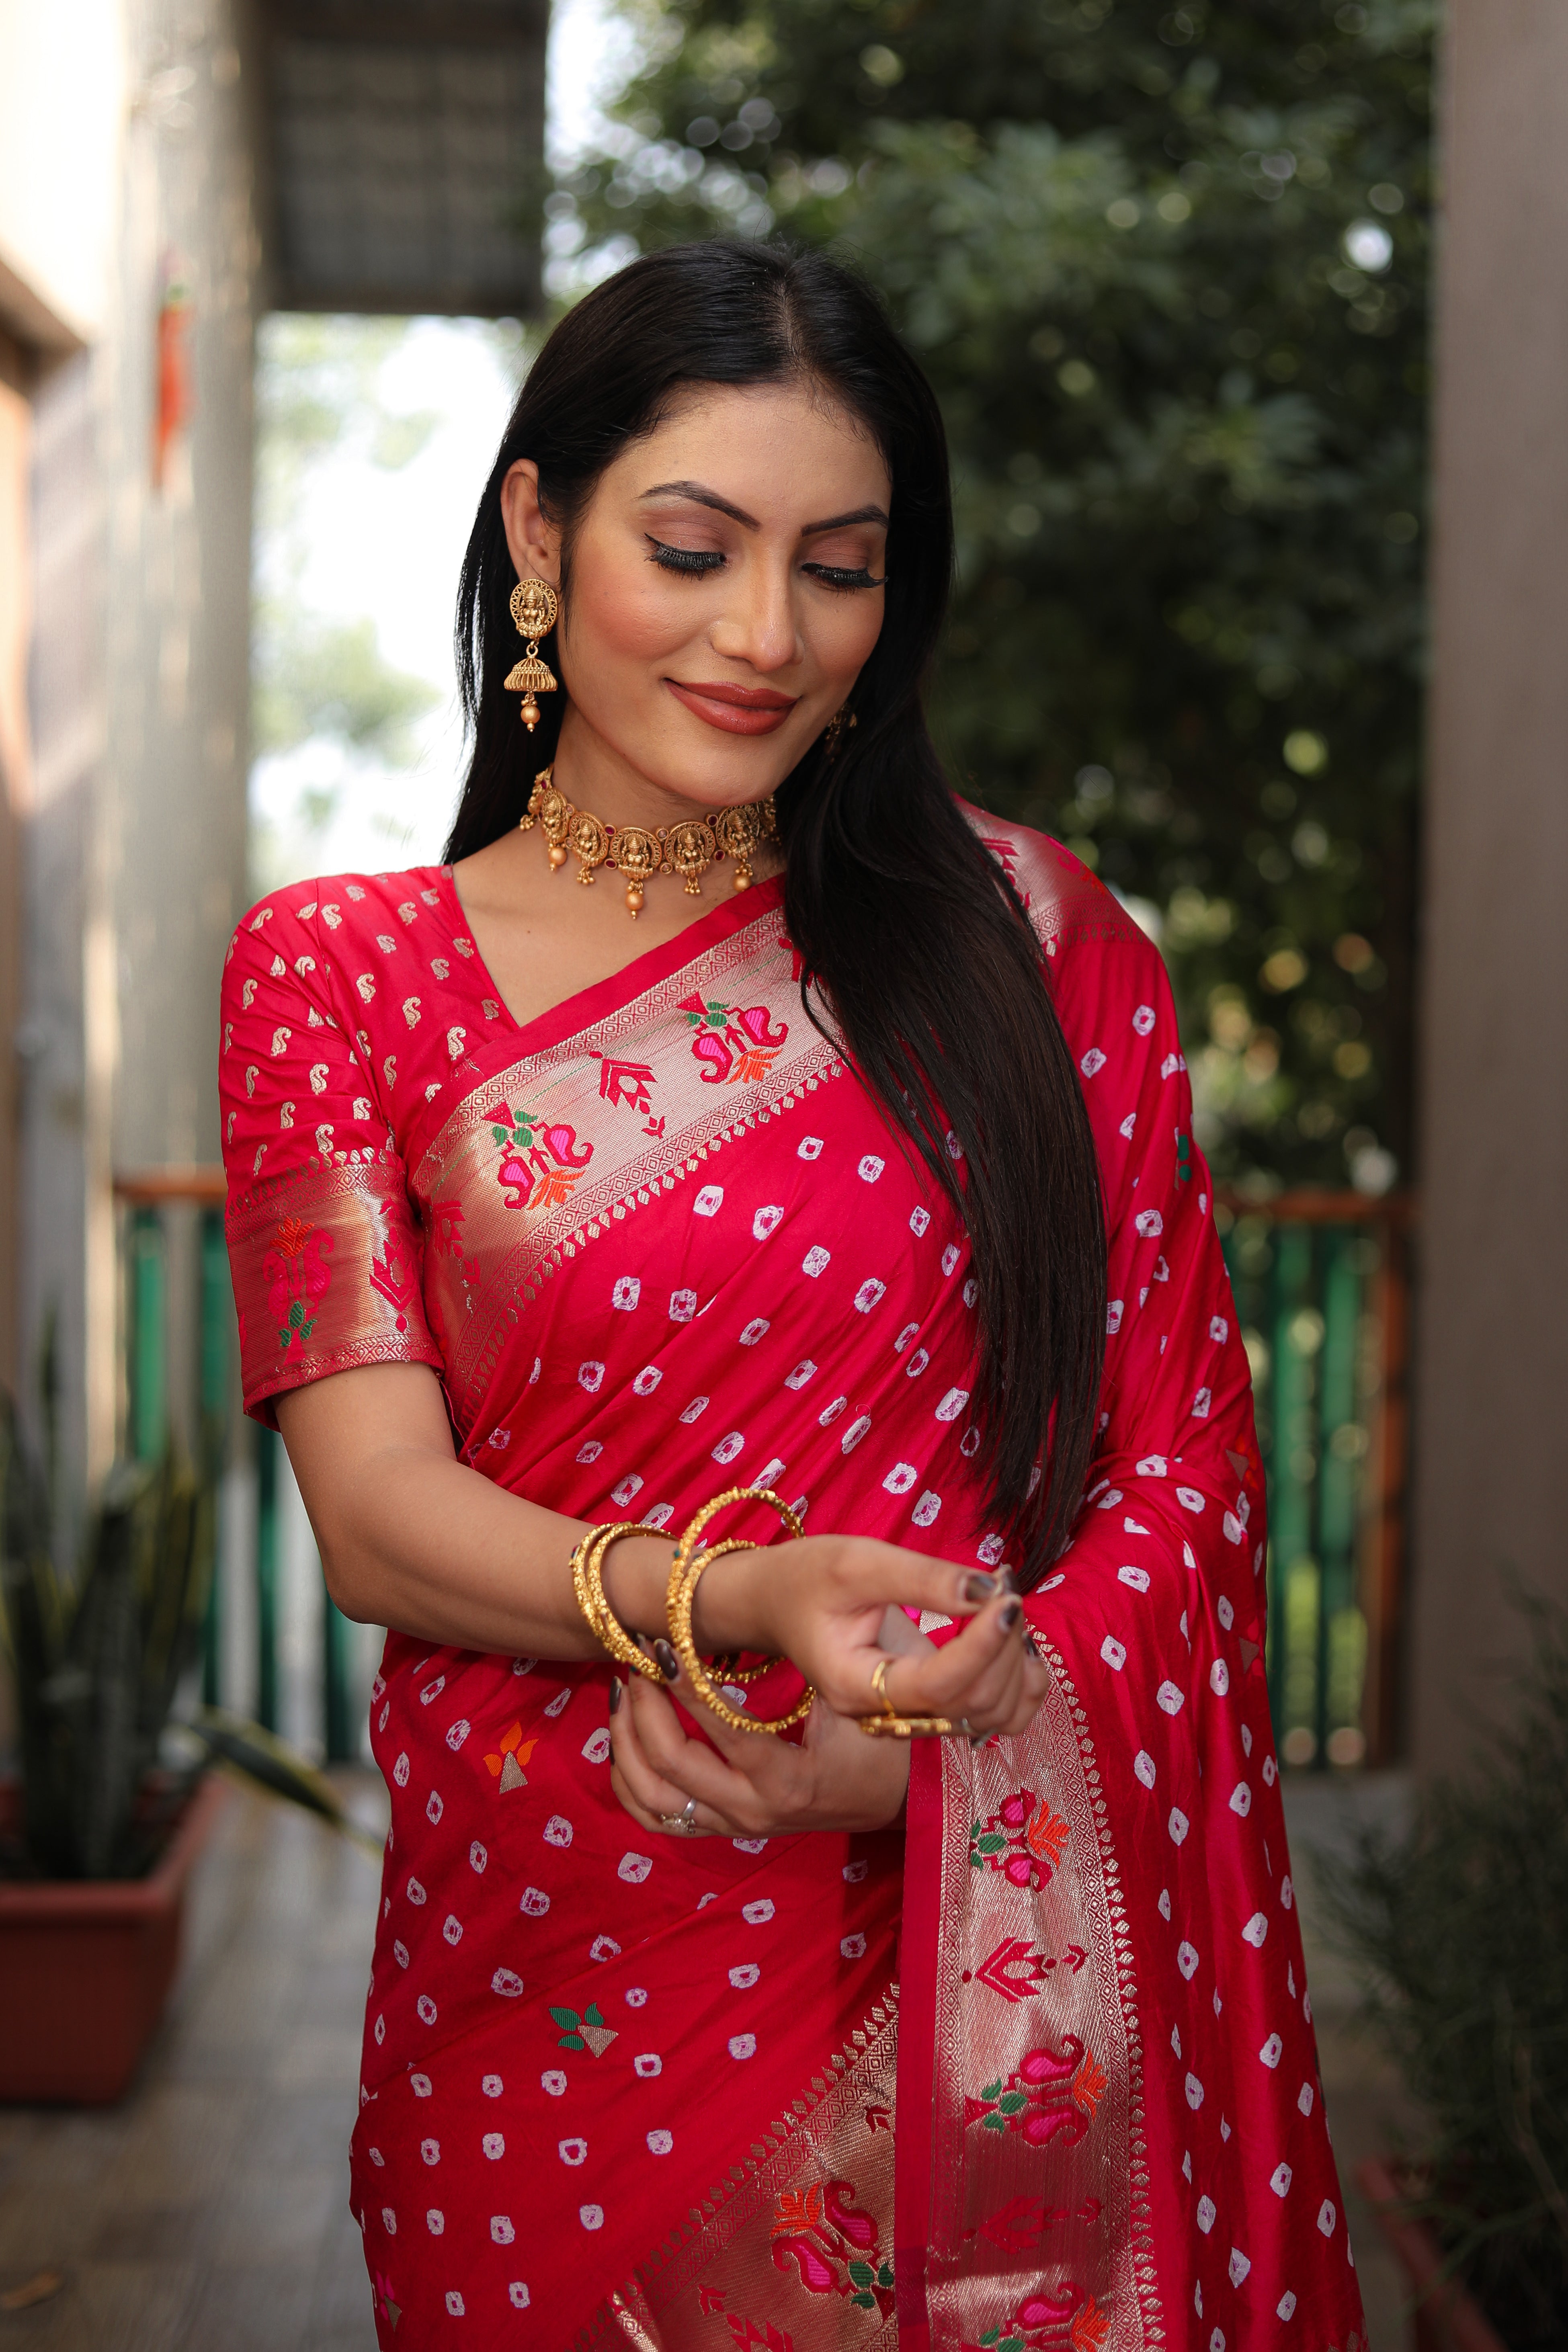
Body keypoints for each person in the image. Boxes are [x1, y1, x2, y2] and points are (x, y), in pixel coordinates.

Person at [219, 242, 1365, 2351]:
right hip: (540, 2016)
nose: (767, 636)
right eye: (694, 546)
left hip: (965, 1989)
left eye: (838, 568)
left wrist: (964, 1743)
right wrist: (740, 1604)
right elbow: (375, 1513)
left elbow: (1191, 1481)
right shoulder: (340, 974)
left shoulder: (1035, 945)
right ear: (541, 532)